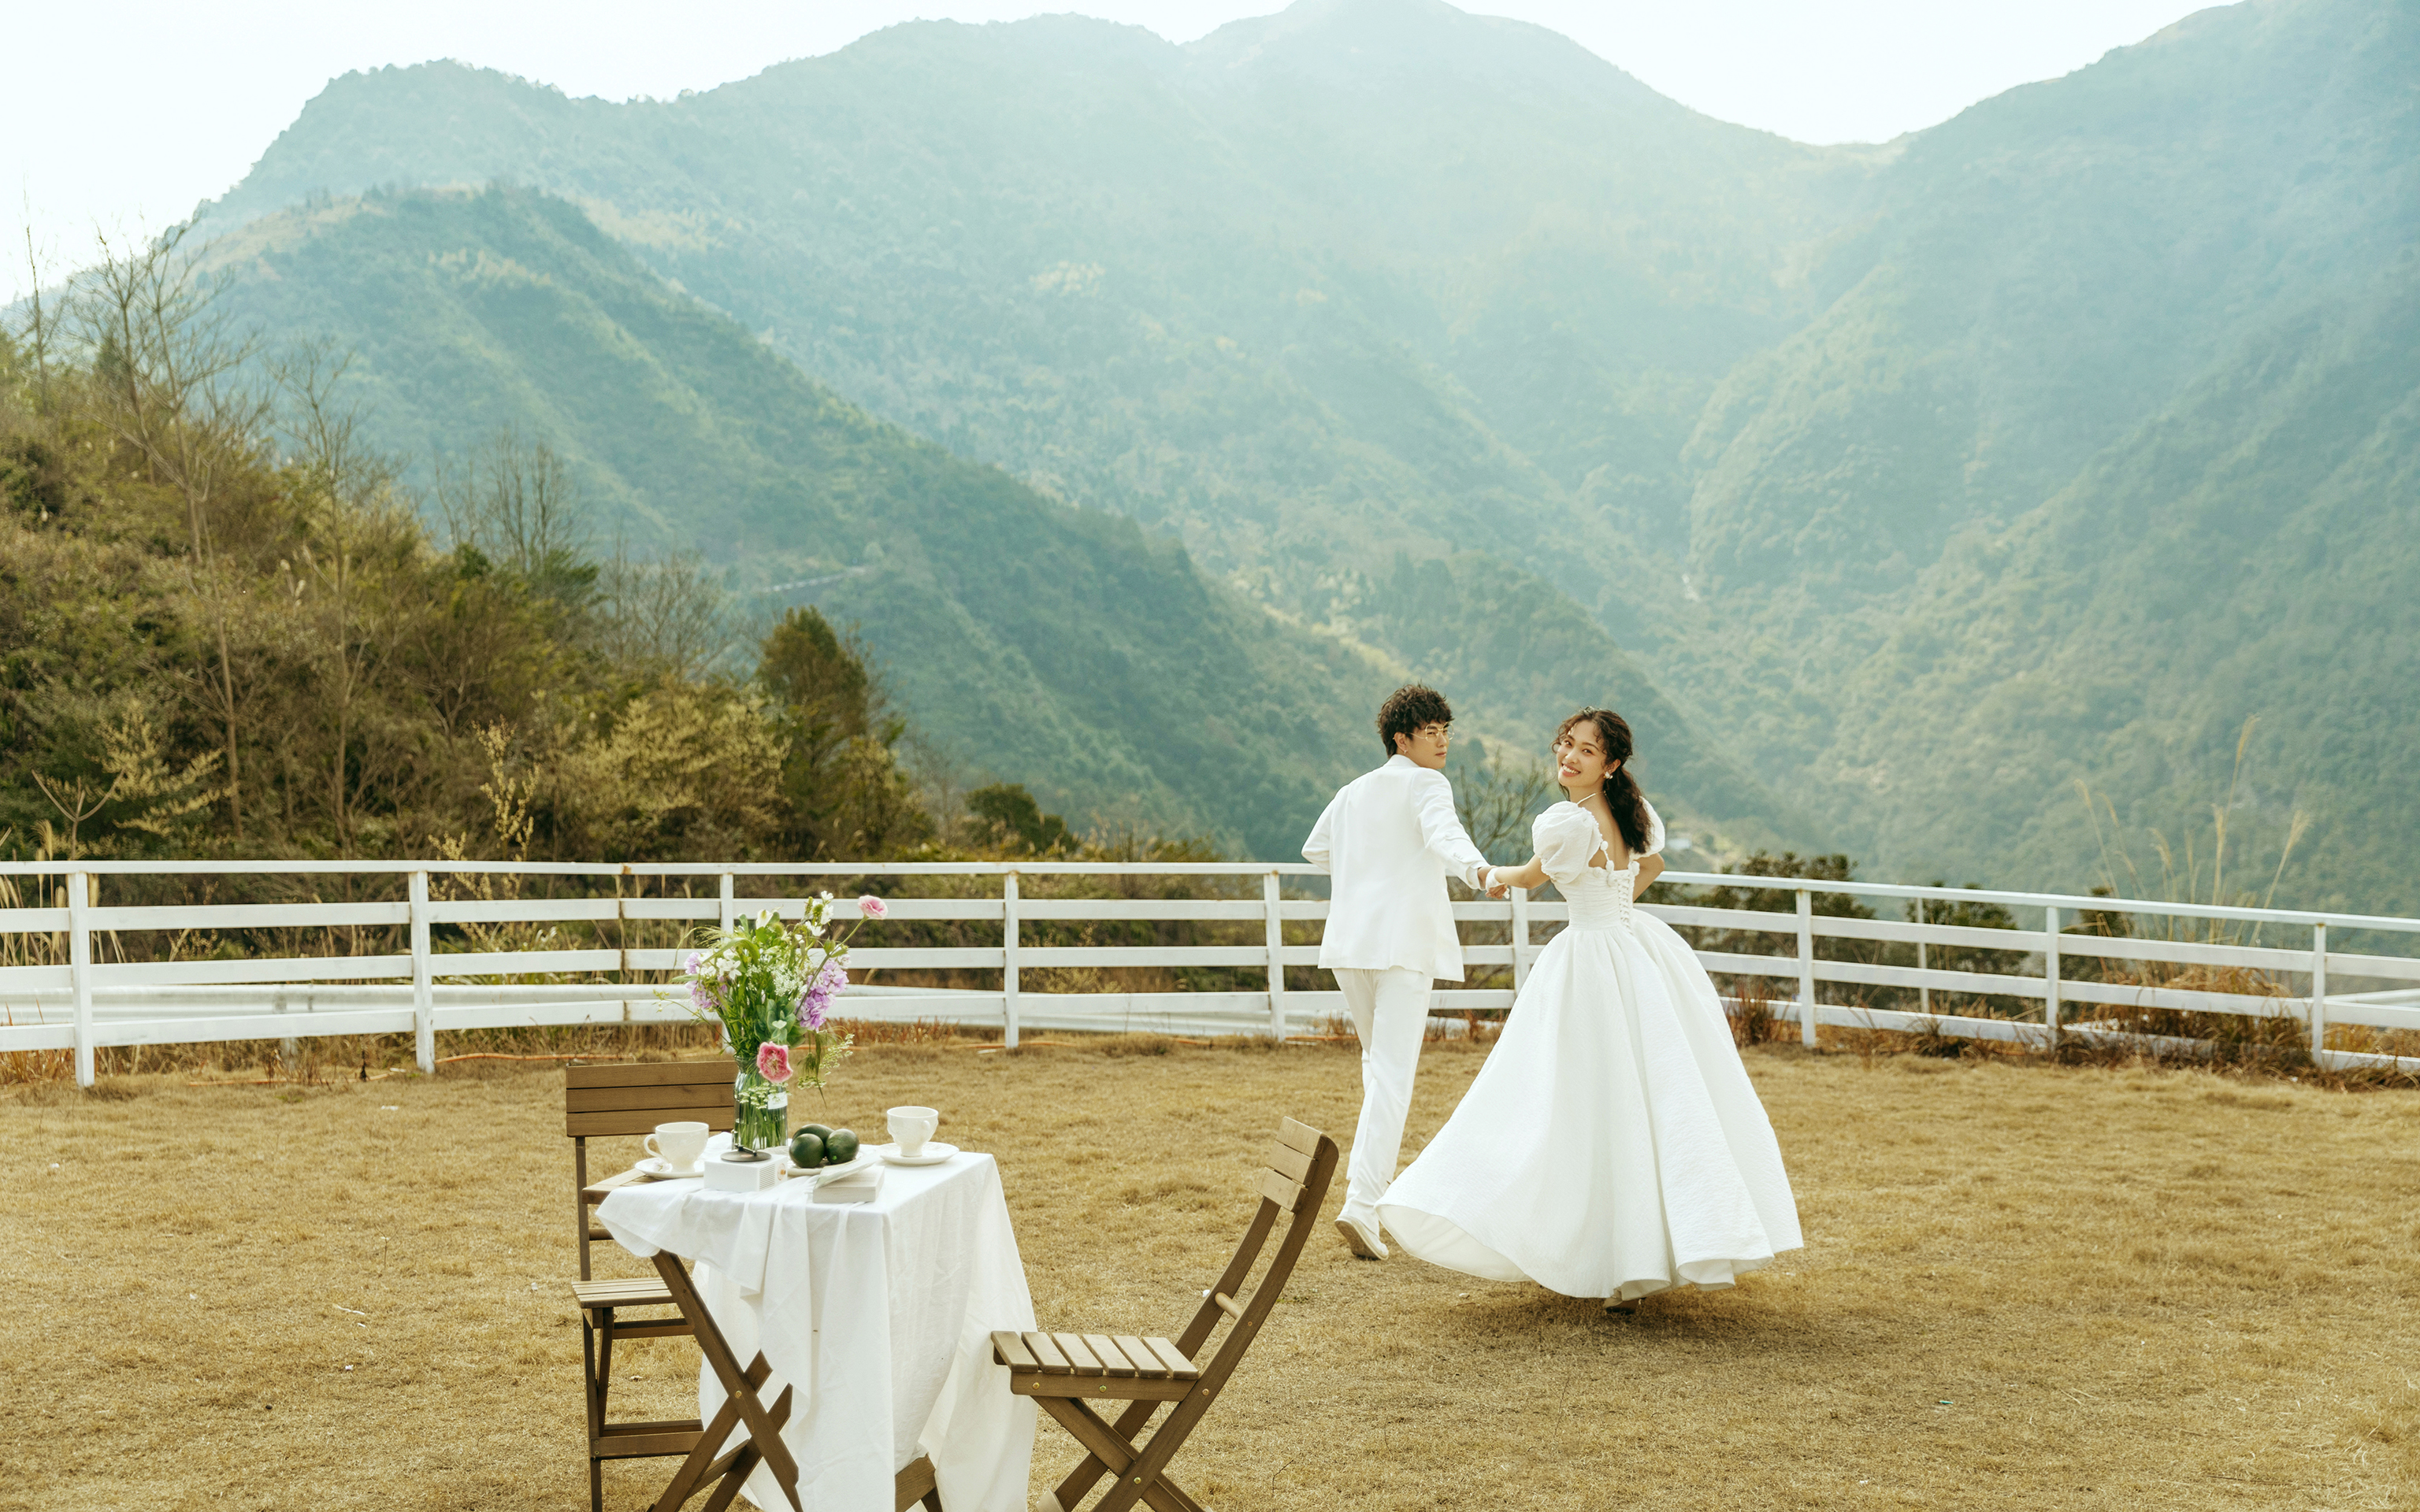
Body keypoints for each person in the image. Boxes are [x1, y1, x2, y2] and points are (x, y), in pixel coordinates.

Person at [1377, 708, 1802, 1310]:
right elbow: (1649, 864)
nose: (1569, 757)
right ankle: (1632, 1262)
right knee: (1641, 1100)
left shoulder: (1566, 822)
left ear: (1611, 764)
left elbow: (1527, 878)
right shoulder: (1630, 811)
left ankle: (1615, 1258)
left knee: (1579, 1101)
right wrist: (1615, 904)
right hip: (1634, 949)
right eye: (1566, 744)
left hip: (1593, 958)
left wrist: (1482, 874)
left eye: (1585, 751)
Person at [1301, 684, 1499, 1260]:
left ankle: (1364, 1197)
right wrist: (1480, 871)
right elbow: (1445, 834)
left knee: (1376, 1068)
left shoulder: (1353, 792)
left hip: (1350, 945)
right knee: (1391, 1076)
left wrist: (1369, 865)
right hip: (1403, 947)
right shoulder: (1427, 783)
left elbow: (1317, 849)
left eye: (1446, 732)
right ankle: (1362, 1205)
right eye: (1430, 734)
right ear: (1401, 739)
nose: (1442, 744)